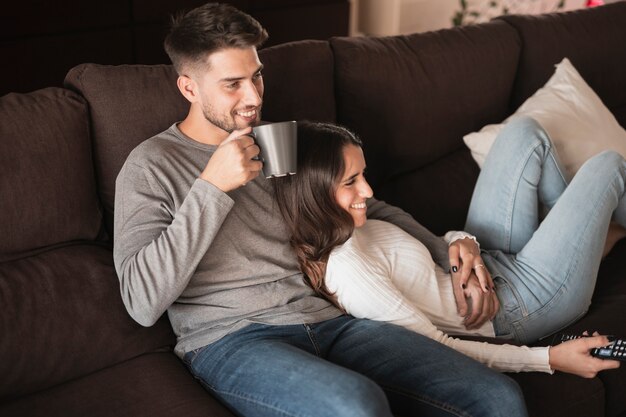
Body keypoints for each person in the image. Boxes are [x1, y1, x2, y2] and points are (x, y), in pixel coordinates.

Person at [113, 2, 529, 417]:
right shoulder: (151, 165)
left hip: (329, 320)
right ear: (189, 88)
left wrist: (448, 250)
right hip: (232, 340)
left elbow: (367, 205)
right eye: (232, 84)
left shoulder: (274, 142)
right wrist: (211, 186)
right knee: (355, 406)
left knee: (498, 397)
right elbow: (142, 302)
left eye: (257, 76)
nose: (254, 97)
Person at [272, 119, 624, 378]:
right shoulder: (350, 270)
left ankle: (581, 245)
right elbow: (439, 347)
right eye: (351, 181)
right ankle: (581, 248)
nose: (367, 190)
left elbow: (434, 246)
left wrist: (462, 243)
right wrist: (549, 358)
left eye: (363, 174)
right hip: (519, 306)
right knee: (609, 167)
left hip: (487, 265)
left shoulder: (348, 224)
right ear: (315, 194)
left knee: (525, 134)